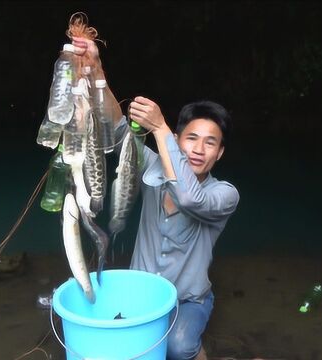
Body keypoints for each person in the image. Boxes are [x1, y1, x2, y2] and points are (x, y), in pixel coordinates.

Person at [72, 37, 239, 360]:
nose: (198, 149)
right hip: (142, 292)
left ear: (219, 153)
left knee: (178, 347)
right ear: (178, 141)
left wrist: (161, 128)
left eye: (210, 143)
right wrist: (97, 70)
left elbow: (190, 200)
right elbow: (118, 127)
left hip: (188, 299)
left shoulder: (225, 194)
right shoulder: (151, 166)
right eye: (190, 139)